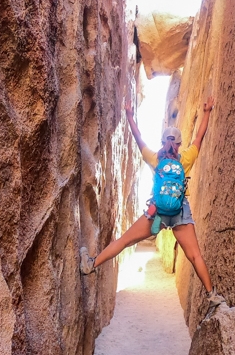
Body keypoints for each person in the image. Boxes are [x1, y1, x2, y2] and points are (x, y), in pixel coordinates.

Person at [80, 95, 226, 314]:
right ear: (178, 143)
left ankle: (90, 264)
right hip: (179, 213)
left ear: (163, 141)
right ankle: (212, 296)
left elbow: (138, 138)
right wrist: (207, 112)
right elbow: (200, 137)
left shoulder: (155, 158)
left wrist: (129, 116)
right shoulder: (185, 158)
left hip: (156, 211)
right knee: (195, 256)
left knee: (124, 241)